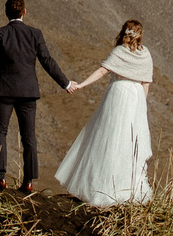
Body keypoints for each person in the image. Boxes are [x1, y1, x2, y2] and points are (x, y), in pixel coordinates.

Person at [54, 19, 154, 207]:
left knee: (108, 138)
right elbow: (146, 83)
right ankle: (128, 189)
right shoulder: (145, 54)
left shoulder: (119, 51)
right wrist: (142, 107)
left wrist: (81, 84)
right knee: (128, 142)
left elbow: (102, 71)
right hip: (136, 97)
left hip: (118, 94)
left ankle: (102, 187)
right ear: (140, 35)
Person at [0, 0, 74, 194]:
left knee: (0, 133)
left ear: (6, 12)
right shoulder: (35, 34)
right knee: (29, 137)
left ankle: (0, 177)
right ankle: (29, 181)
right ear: (24, 12)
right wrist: (65, 83)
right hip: (28, 92)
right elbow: (47, 61)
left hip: (3, 91)